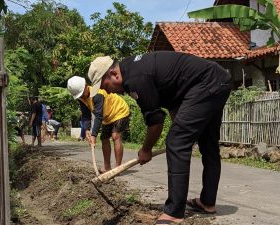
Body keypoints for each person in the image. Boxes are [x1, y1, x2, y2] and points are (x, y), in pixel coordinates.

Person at [88, 52, 232, 224]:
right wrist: (183, 127)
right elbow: (172, 97)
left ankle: (174, 212)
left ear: (114, 74)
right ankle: (207, 202)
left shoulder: (135, 79)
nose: (105, 90)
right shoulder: (132, 69)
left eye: (104, 85)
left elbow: (156, 122)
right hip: (217, 80)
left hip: (207, 83)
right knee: (207, 145)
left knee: (176, 142)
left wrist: (146, 149)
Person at [67, 76, 130, 173]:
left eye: (81, 94)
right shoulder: (81, 98)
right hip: (107, 116)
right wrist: (87, 130)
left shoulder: (97, 94)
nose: (81, 97)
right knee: (104, 138)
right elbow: (86, 114)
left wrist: (93, 135)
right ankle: (107, 167)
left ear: (86, 86)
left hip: (119, 111)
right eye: (79, 96)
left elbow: (98, 116)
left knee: (115, 136)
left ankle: (118, 168)